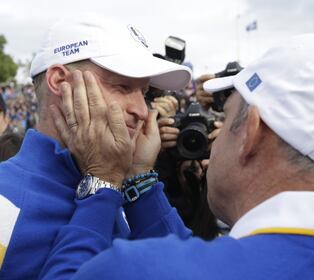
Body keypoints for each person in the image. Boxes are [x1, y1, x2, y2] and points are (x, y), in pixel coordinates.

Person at [41, 34, 314, 279]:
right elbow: (200, 255)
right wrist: (139, 177)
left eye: (227, 114)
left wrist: (103, 177)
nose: (213, 141)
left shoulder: (140, 270)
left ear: (252, 130)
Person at [0, 15, 192, 279]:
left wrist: (140, 178)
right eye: (122, 86)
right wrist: (104, 181)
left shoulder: (130, 194)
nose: (141, 110)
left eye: (145, 93)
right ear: (59, 82)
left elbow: (187, 271)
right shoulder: (3, 200)